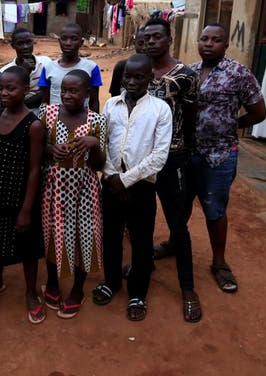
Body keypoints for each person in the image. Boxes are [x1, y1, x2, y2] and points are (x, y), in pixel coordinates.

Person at [188, 24, 266, 293]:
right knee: (180, 205)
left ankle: (219, 262)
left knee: (215, 210)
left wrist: (232, 125)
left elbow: (259, 113)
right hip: (188, 153)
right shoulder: (189, 72)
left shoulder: (238, 73)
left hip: (219, 156)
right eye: (204, 39)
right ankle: (176, 244)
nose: (208, 44)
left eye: (216, 40)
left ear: (225, 45)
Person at [97, 54, 172, 322]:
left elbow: (159, 157)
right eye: (128, 76)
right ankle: (112, 281)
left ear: (150, 78)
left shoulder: (160, 110)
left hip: (141, 186)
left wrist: (125, 180)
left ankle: (137, 292)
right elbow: (103, 143)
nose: (132, 81)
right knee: (111, 235)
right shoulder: (111, 105)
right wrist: (111, 177)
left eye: (139, 76)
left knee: (141, 240)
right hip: (110, 183)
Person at [140, 18, 202, 323]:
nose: (151, 42)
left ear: (169, 39)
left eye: (157, 37)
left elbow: (190, 116)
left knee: (178, 223)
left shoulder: (185, 76)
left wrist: (184, 150)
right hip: (140, 160)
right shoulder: (136, 71)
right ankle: (142, 267)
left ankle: (188, 290)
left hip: (172, 158)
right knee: (141, 218)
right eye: (146, 38)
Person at [39, 70, 107, 319]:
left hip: (85, 188)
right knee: (52, 233)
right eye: (64, 90)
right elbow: (38, 147)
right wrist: (49, 149)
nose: (67, 95)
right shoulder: (48, 113)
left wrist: (94, 144)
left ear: (87, 93)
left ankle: (78, 289)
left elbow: (99, 165)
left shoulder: (97, 121)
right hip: (54, 186)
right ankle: (54, 284)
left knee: (84, 235)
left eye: (74, 91)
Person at [0, 66, 46, 324]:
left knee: (28, 246)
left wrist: (26, 208)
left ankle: (31, 292)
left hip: (23, 194)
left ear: (26, 90)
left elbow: (35, 169)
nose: (4, 92)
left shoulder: (33, 125)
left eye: (11, 88)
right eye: (1, 87)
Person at [38, 23, 102, 113]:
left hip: (82, 123)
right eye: (64, 39)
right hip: (55, 122)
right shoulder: (48, 68)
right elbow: (45, 100)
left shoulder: (91, 68)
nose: (68, 43)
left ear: (81, 42)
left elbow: (94, 101)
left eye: (74, 39)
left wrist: (94, 124)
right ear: (59, 41)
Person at [1, 28, 51, 110]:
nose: (25, 47)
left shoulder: (46, 63)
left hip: (43, 113)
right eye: (20, 43)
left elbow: (49, 92)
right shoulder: (5, 71)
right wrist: (23, 72)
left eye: (28, 42)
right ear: (13, 46)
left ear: (33, 42)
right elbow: (7, 102)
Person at [109, 29, 146, 98]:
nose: (144, 48)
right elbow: (115, 95)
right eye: (140, 44)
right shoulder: (121, 67)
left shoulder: (157, 69)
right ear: (134, 43)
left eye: (147, 44)